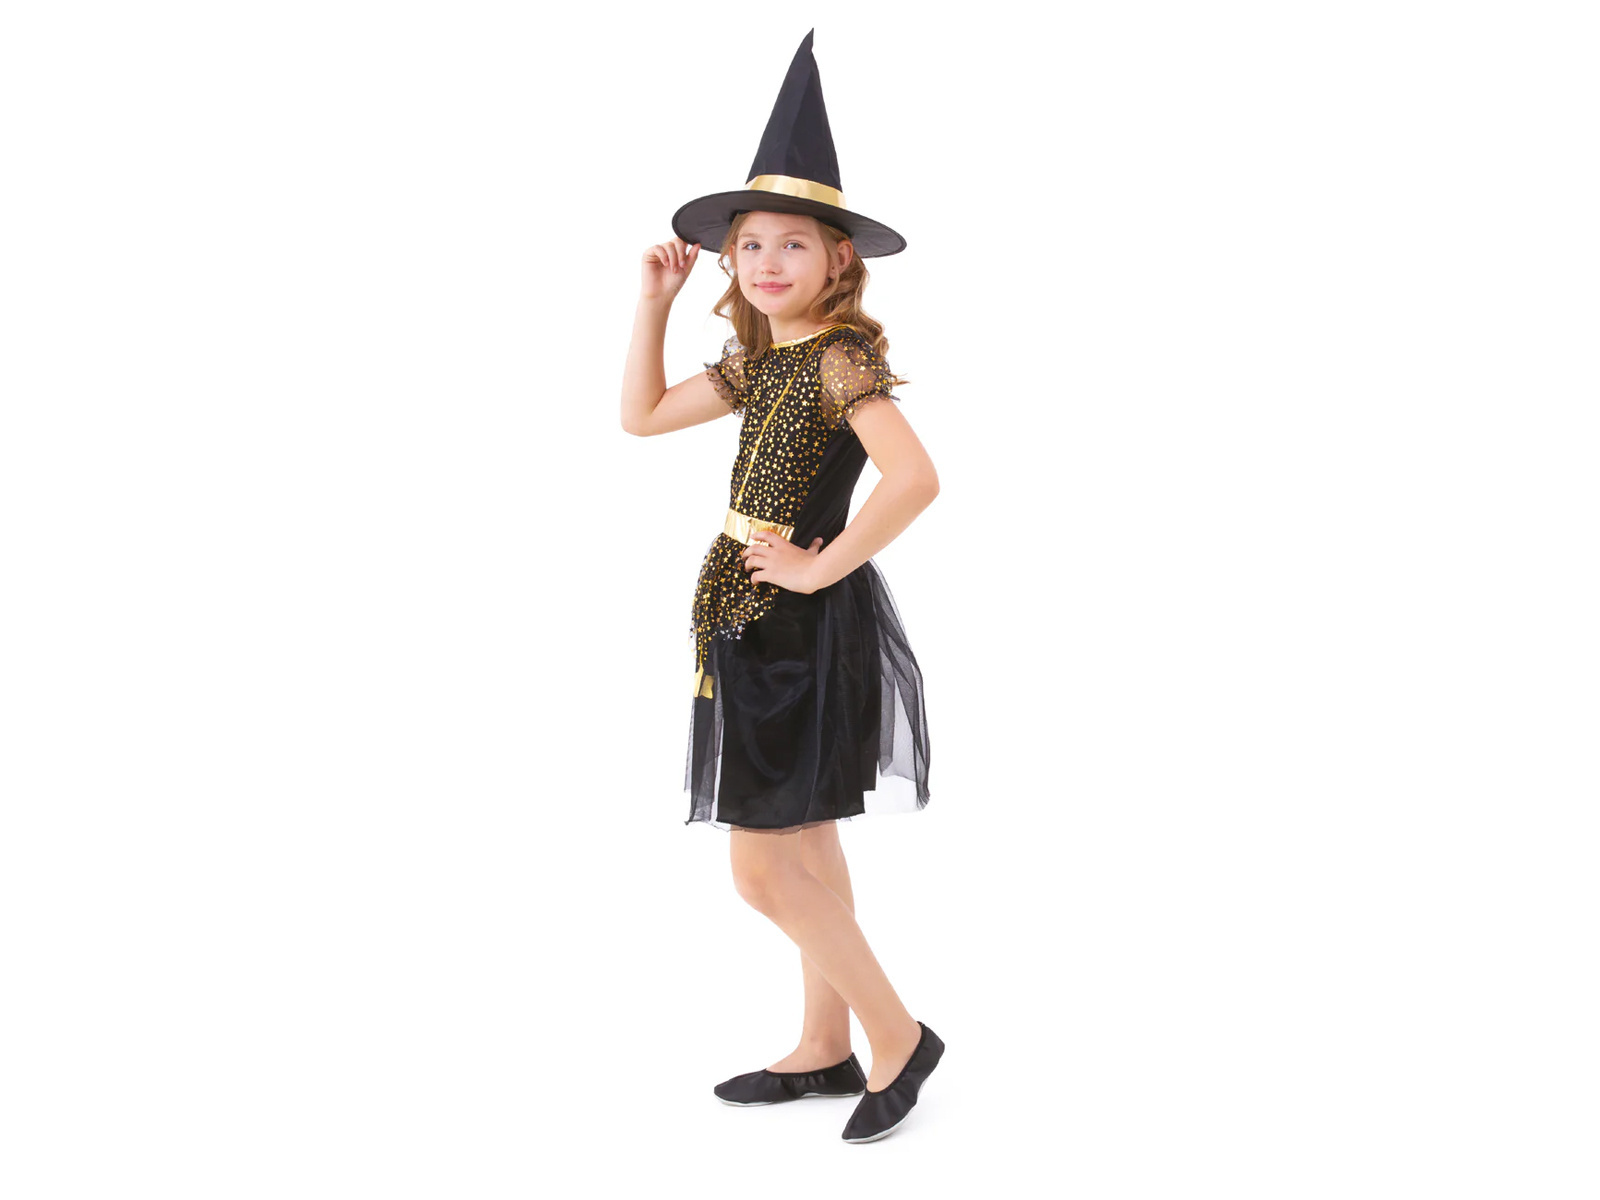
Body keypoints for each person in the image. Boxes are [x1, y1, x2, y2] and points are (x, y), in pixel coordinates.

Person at [618, 30, 943, 1144]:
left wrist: (815, 562)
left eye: (791, 243)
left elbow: (914, 478)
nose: (764, 261)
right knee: (804, 846)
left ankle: (899, 1036)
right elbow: (641, 417)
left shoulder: (840, 356)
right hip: (748, 616)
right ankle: (822, 1045)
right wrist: (654, 303)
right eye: (748, 244)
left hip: (798, 622)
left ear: (836, 260)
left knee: (761, 871)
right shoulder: (762, 362)